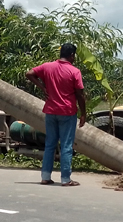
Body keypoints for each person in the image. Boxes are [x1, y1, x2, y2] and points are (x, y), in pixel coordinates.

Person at [25, 43, 86, 187]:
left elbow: (29, 74)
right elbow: (80, 95)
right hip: (67, 112)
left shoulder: (47, 66)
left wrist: (42, 87)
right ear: (72, 55)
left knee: (50, 144)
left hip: (51, 111)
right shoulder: (74, 71)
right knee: (66, 146)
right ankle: (65, 179)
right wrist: (83, 113)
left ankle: (45, 177)